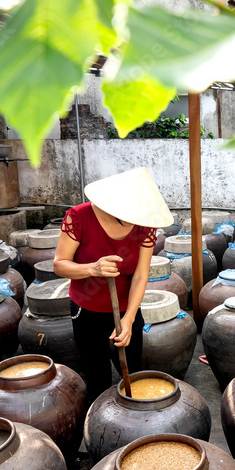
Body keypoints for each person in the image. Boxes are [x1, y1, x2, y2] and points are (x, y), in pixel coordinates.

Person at [52, 167, 174, 398]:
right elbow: (59, 265)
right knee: (96, 375)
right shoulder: (79, 217)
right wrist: (92, 268)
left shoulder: (145, 224)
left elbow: (140, 274)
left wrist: (129, 319)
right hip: (86, 308)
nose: (135, 223)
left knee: (134, 372)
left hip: (126, 307)